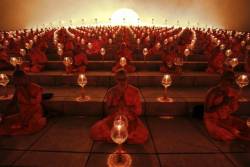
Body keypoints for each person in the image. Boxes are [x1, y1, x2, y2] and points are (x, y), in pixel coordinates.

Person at [90, 69, 148, 144]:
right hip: (115, 119)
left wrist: (128, 109)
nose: (122, 82)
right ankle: (119, 137)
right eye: (119, 79)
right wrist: (116, 110)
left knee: (140, 136)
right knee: (97, 132)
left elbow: (139, 111)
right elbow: (107, 110)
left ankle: (122, 137)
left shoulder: (134, 91)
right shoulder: (111, 92)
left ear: (127, 79)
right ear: (116, 80)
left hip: (130, 119)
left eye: (124, 79)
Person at [204, 71, 250, 141]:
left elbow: (232, 109)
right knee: (228, 136)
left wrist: (234, 102)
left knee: (246, 127)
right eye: (229, 80)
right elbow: (208, 110)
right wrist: (222, 103)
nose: (231, 83)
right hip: (213, 119)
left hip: (226, 118)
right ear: (222, 79)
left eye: (232, 80)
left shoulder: (232, 92)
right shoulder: (213, 91)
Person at [0, 69, 47, 136]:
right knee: (6, 122)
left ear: (25, 78)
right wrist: (5, 114)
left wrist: (24, 91)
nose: (17, 83)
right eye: (15, 81)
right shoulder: (18, 88)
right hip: (24, 113)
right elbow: (13, 102)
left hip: (34, 112)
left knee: (32, 126)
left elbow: (34, 102)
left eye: (18, 80)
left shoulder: (36, 88)